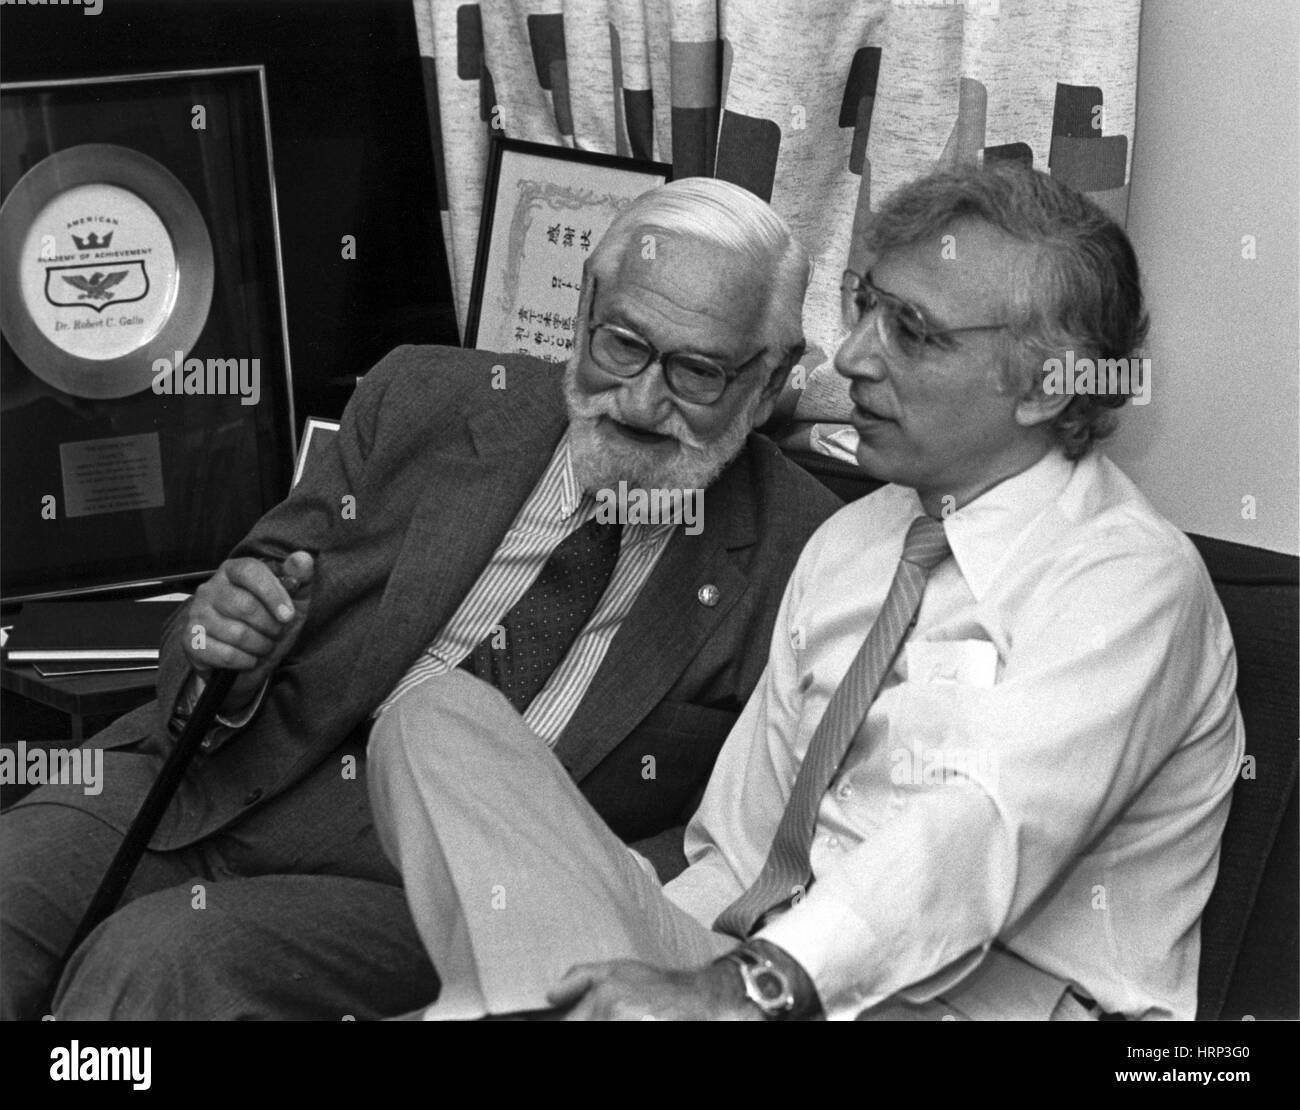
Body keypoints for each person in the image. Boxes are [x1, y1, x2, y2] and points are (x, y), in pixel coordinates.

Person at [367, 162, 1245, 1021]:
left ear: (1046, 385)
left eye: (914, 330)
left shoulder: (1127, 580)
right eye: (865, 303)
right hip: (752, 971)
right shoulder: (852, 544)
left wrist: (744, 989)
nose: (855, 356)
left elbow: (977, 832)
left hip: (958, 1003)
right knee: (436, 718)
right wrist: (620, 952)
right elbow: (737, 856)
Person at [0, 177, 842, 1021]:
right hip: (218, 782)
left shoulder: (806, 551)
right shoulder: (427, 401)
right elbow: (233, 604)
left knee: (160, 959)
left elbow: (734, 843)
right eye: (621, 342)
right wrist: (227, 649)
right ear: (583, 306)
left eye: (696, 371)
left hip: (434, 895)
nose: (641, 399)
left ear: (769, 383)